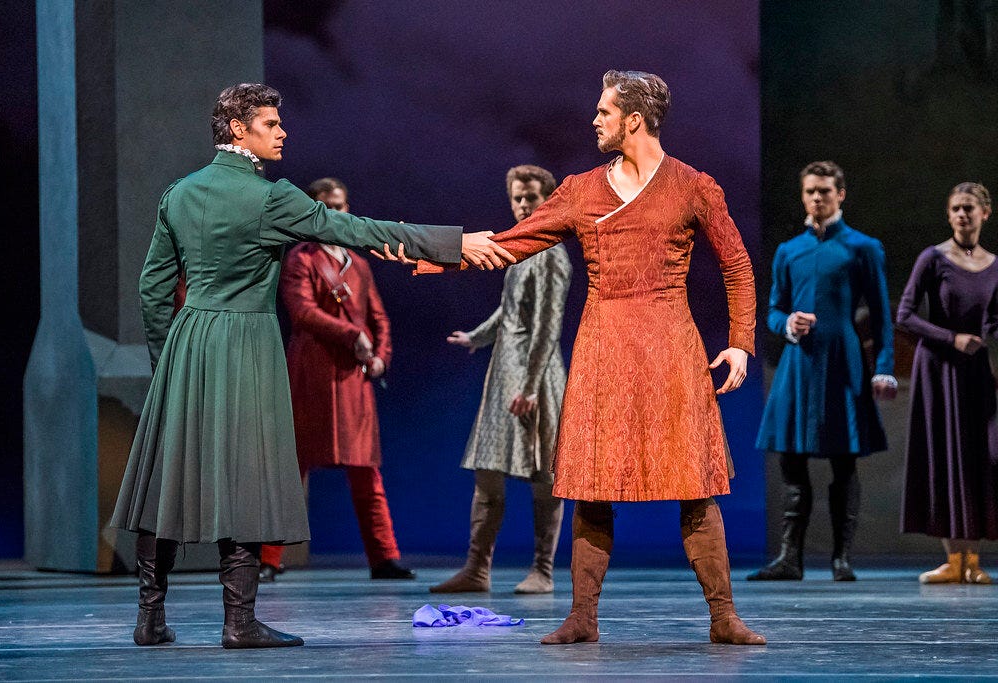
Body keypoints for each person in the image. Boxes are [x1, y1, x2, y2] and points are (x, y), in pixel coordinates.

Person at [110, 83, 512, 649]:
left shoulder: (178, 194)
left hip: (186, 342)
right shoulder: (271, 198)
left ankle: (149, 619)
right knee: (245, 477)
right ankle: (238, 622)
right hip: (244, 344)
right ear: (237, 129)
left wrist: (167, 361)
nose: (283, 132)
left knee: (167, 478)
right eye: (270, 123)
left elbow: (153, 290)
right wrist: (450, 243)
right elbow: (360, 230)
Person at [409, 70, 764, 645]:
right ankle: (582, 618)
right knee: (593, 485)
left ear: (634, 120)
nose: (594, 120)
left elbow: (738, 266)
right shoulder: (580, 190)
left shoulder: (693, 186)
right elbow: (512, 243)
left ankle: (723, 617)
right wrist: (427, 250)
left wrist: (740, 342)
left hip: (671, 348)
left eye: (604, 112)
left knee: (696, 485)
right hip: (604, 347)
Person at [258, 177, 415, 583]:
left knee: (366, 470)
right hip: (312, 375)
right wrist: (353, 335)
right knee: (292, 467)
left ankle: (384, 557)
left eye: (340, 206)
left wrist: (381, 357)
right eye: (326, 206)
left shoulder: (358, 264)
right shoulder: (301, 259)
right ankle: (268, 558)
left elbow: (378, 317)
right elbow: (302, 312)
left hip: (352, 379)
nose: (335, 213)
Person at [751, 161, 897, 583]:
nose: (817, 197)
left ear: (840, 194)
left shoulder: (862, 247)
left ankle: (841, 559)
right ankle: (789, 559)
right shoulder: (788, 251)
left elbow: (881, 316)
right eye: (811, 191)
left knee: (843, 461)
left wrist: (883, 368)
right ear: (803, 196)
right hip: (799, 363)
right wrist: (787, 323)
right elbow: (773, 310)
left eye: (825, 191)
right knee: (791, 461)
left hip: (842, 362)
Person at [430, 165, 571, 595]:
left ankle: (543, 570)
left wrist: (530, 386)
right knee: (488, 469)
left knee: (543, 472)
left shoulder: (550, 253)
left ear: (547, 200)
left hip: (534, 376)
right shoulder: (523, 250)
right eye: (517, 198)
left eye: (531, 197)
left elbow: (547, 325)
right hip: (504, 374)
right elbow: (510, 312)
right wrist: (476, 337)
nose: (524, 205)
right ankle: (477, 569)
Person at [897, 181, 997, 584]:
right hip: (938, 370)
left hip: (976, 372)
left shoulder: (994, 265)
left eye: (969, 208)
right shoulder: (933, 258)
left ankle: (973, 560)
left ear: (984, 213)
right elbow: (905, 316)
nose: (961, 214)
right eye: (955, 208)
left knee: (980, 457)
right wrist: (951, 338)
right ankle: (953, 560)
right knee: (944, 456)